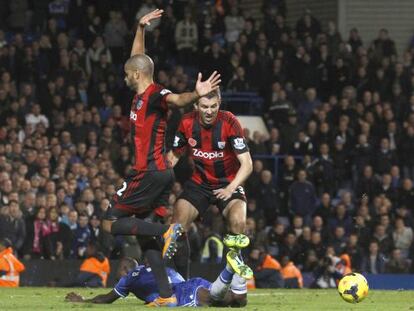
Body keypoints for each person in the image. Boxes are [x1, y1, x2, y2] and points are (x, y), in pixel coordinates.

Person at [101, 9, 221, 307]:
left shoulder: (155, 95)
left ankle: (167, 230)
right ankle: (166, 296)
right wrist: (140, 28)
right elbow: (138, 58)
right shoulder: (141, 89)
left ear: (137, 75)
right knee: (147, 242)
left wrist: (196, 94)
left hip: (149, 172)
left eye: (128, 73)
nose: (124, 74)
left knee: (109, 223)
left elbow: (178, 100)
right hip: (159, 174)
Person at [168, 87, 253, 277]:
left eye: (214, 106)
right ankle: (183, 282)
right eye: (204, 106)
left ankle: (230, 281)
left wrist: (231, 188)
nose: (209, 111)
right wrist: (160, 177)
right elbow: (173, 156)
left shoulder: (229, 122)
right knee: (176, 226)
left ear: (219, 104)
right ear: (196, 105)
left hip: (228, 183)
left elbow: (247, 164)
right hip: (199, 184)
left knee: (238, 222)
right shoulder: (187, 122)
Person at [65, 250, 252, 307]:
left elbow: (106, 299)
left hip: (183, 293)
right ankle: (237, 270)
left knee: (214, 298)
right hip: (192, 283)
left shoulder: (130, 277)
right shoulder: (161, 269)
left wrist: (83, 300)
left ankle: (229, 268)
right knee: (237, 302)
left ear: (124, 268)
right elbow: (178, 279)